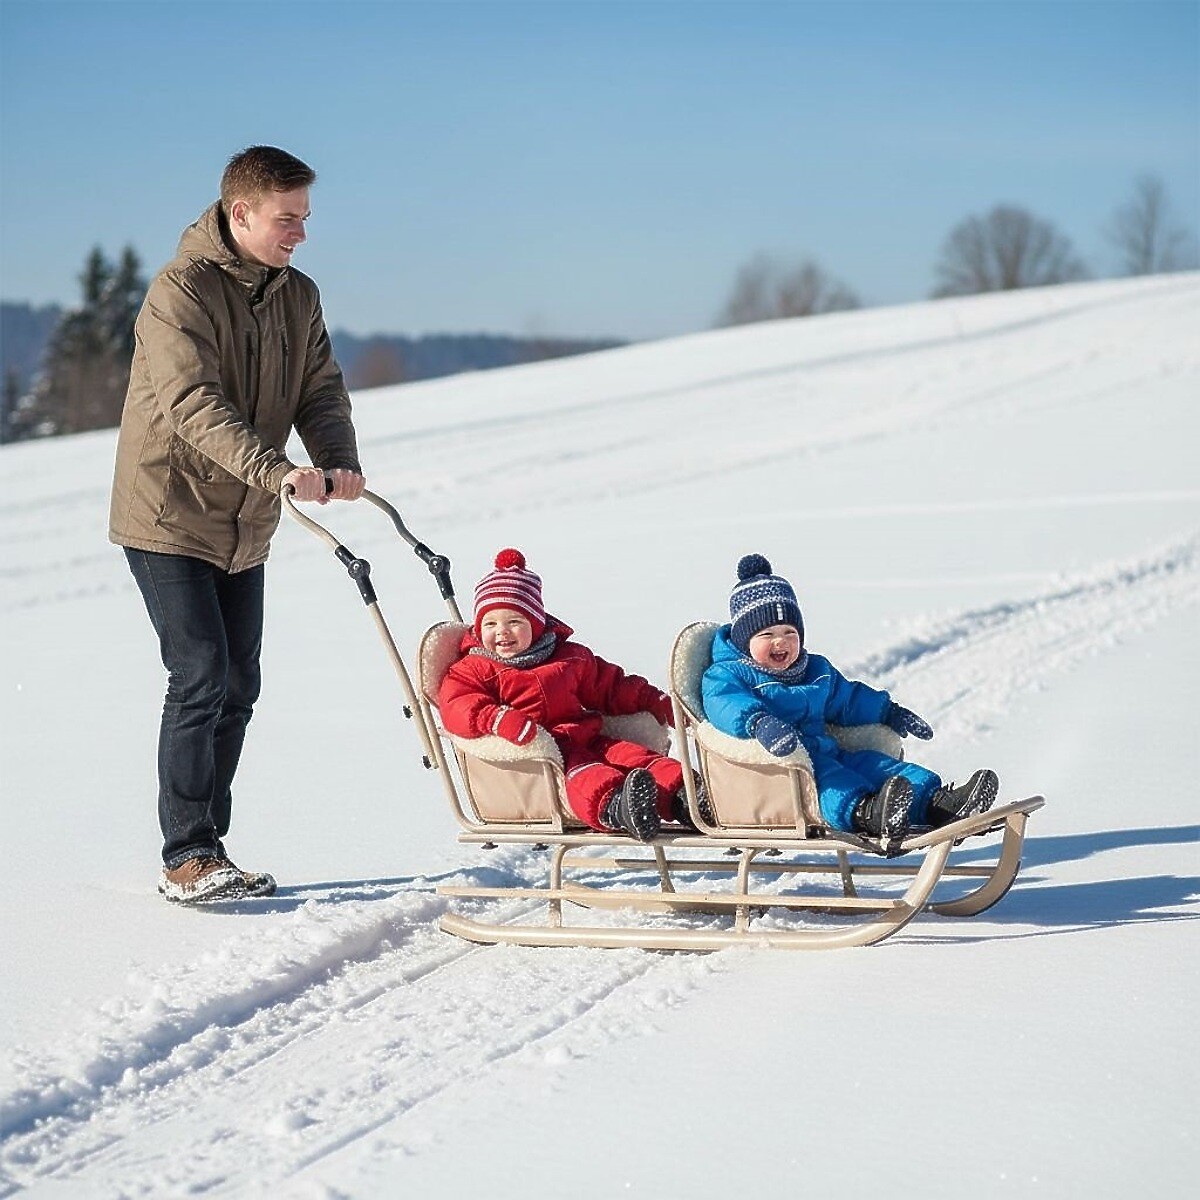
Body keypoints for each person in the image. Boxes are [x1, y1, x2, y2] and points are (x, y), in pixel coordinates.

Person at [109, 146, 365, 904]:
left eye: (306, 219)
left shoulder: (298, 294)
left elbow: (320, 387)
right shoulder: (177, 293)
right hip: (168, 511)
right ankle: (185, 855)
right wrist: (279, 470)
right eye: (289, 219)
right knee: (200, 673)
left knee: (239, 683)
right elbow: (193, 405)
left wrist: (337, 459)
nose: (301, 234)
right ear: (241, 211)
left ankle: (210, 848)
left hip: (243, 521)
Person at [701, 554, 998, 844]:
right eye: (766, 633)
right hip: (779, 768)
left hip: (825, 750)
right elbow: (723, 703)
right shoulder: (727, 674)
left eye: (789, 632)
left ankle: (941, 804)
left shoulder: (814, 670)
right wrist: (759, 722)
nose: (781, 641)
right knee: (834, 781)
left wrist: (888, 712)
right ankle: (868, 813)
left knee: (877, 766)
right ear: (743, 639)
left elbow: (848, 699)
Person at [437, 549, 696, 840]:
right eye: (490, 623)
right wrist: (496, 719)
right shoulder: (475, 667)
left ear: (536, 624)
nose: (502, 632)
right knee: (586, 773)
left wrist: (655, 701)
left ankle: (685, 797)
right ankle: (619, 807)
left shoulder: (568, 657)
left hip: (586, 736)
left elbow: (610, 686)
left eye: (514, 622)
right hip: (543, 754)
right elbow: (456, 703)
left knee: (635, 756)